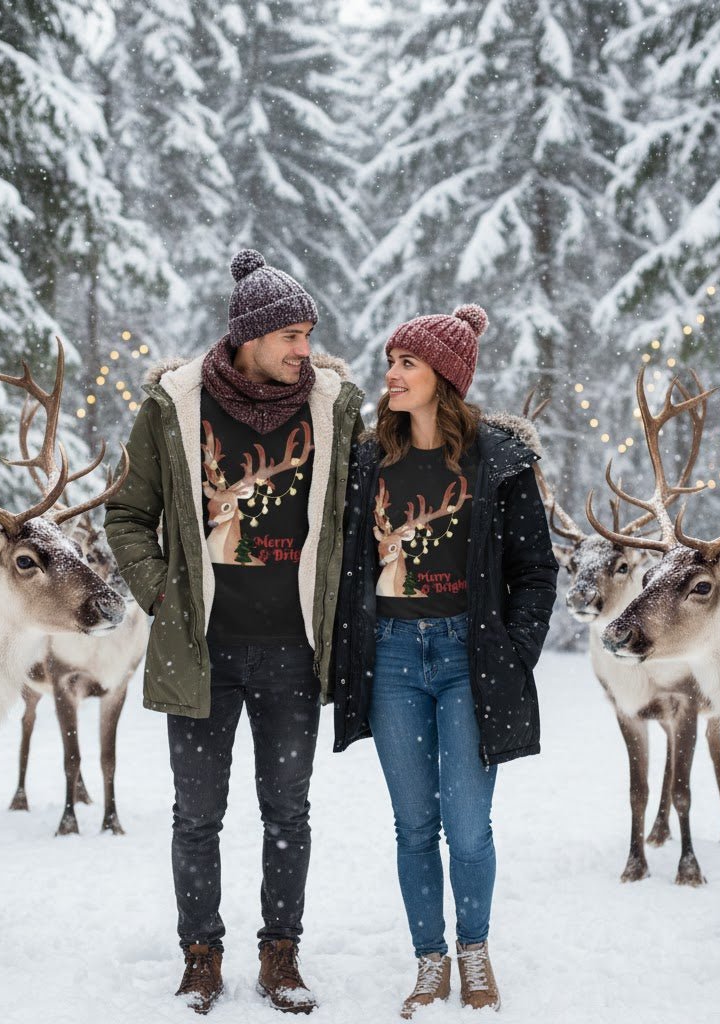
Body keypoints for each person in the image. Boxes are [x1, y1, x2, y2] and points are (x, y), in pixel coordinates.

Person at [104, 249, 364, 1015]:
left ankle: (281, 956)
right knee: (197, 815)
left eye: (309, 333)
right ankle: (201, 955)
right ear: (248, 336)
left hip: (292, 650)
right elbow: (126, 515)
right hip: (202, 653)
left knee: (289, 811)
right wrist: (163, 597)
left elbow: (363, 509)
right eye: (289, 334)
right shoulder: (172, 408)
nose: (303, 349)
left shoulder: (332, 408)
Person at [331, 304, 558, 1017]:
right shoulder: (368, 459)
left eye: (408, 364)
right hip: (392, 659)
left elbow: (535, 568)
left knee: (468, 825)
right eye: (392, 362)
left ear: (446, 379)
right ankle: (430, 960)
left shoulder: (498, 460)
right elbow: (345, 561)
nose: (391, 375)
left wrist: (512, 652)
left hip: (469, 658)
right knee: (413, 825)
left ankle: (474, 951)